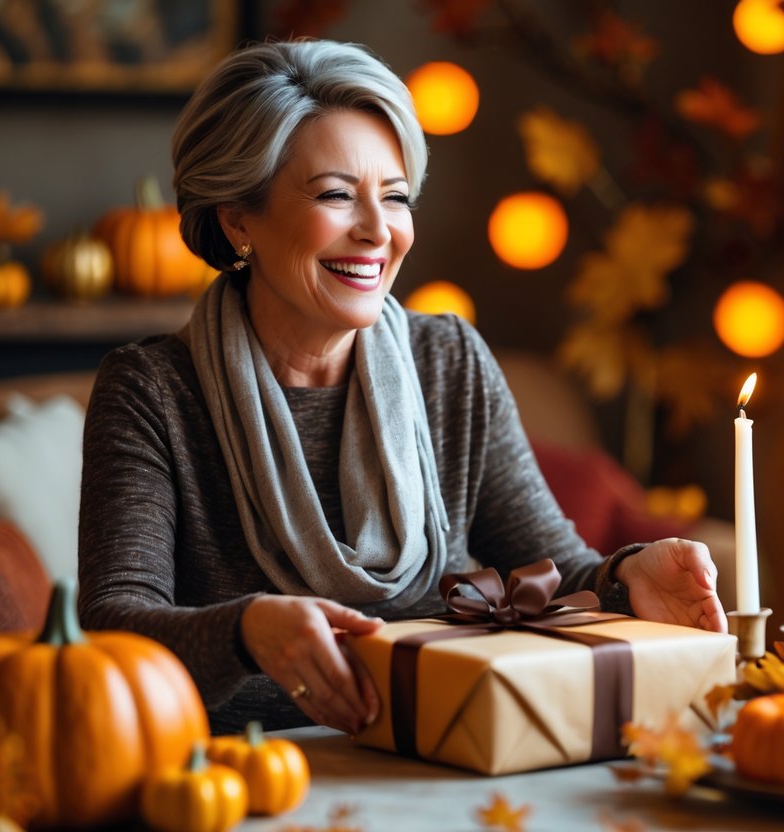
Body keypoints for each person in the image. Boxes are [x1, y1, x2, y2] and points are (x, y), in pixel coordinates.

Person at [77, 39, 726, 737]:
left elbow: (556, 567)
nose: (377, 231)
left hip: (443, 746)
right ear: (238, 217)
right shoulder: (151, 391)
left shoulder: (448, 359)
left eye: (394, 197)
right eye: (334, 195)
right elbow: (116, 625)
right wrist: (247, 629)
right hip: (242, 770)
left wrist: (627, 576)